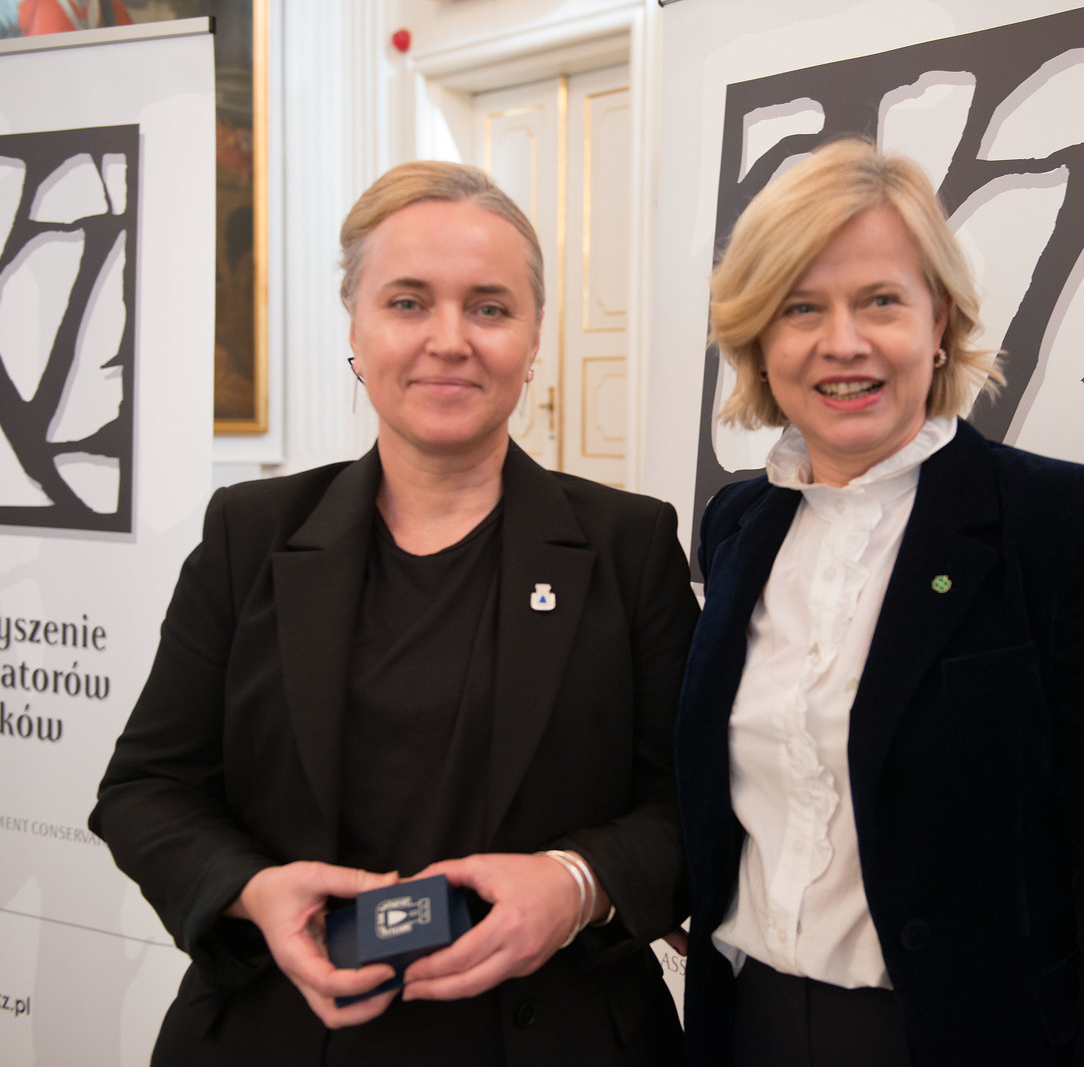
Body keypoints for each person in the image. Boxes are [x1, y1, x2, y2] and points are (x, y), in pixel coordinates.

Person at [91, 161, 698, 1065]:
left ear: (534, 339)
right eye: (408, 302)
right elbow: (146, 789)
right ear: (356, 328)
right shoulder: (250, 535)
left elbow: (692, 806)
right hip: (283, 1031)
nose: (449, 340)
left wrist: (577, 884)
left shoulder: (630, 546)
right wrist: (255, 891)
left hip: (551, 1035)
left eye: (489, 307)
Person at [675, 138, 1084, 1065]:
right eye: (801, 306)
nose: (843, 342)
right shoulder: (736, 524)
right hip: (745, 1021)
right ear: (759, 337)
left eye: (880, 300)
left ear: (940, 319)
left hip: (960, 1039)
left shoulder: (1060, 523)